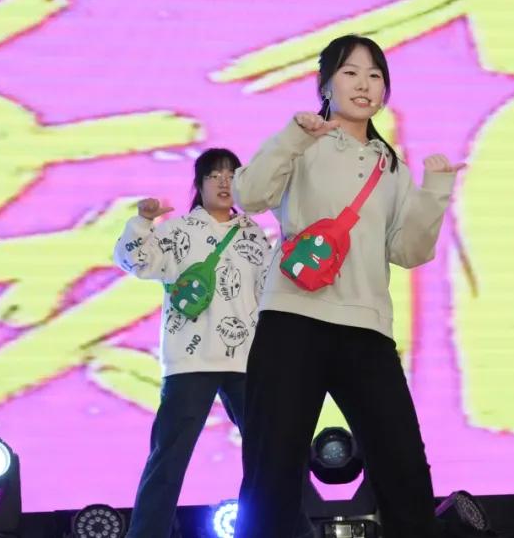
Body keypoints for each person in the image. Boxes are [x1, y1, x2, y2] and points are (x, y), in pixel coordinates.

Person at [232, 35, 463, 538]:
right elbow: (248, 194)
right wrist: (294, 137)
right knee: (272, 471)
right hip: (293, 320)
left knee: (404, 468)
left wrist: (435, 192)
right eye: (350, 72)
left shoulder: (390, 166)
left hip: (366, 329)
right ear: (325, 84)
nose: (364, 84)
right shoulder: (304, 143)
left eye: (375, 75)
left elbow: (409, 251)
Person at [114, 148, 313, 538]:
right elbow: (136, 262)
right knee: (169, 456)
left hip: (248, 360)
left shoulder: (253, 233)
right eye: (214, 175)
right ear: (199, 184)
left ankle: (292, 532)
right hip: (191, 361)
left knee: (271, 455)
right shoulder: (178, 230)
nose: (224, 182)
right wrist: (142, 221)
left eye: (231, 175)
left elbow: (271, 292)